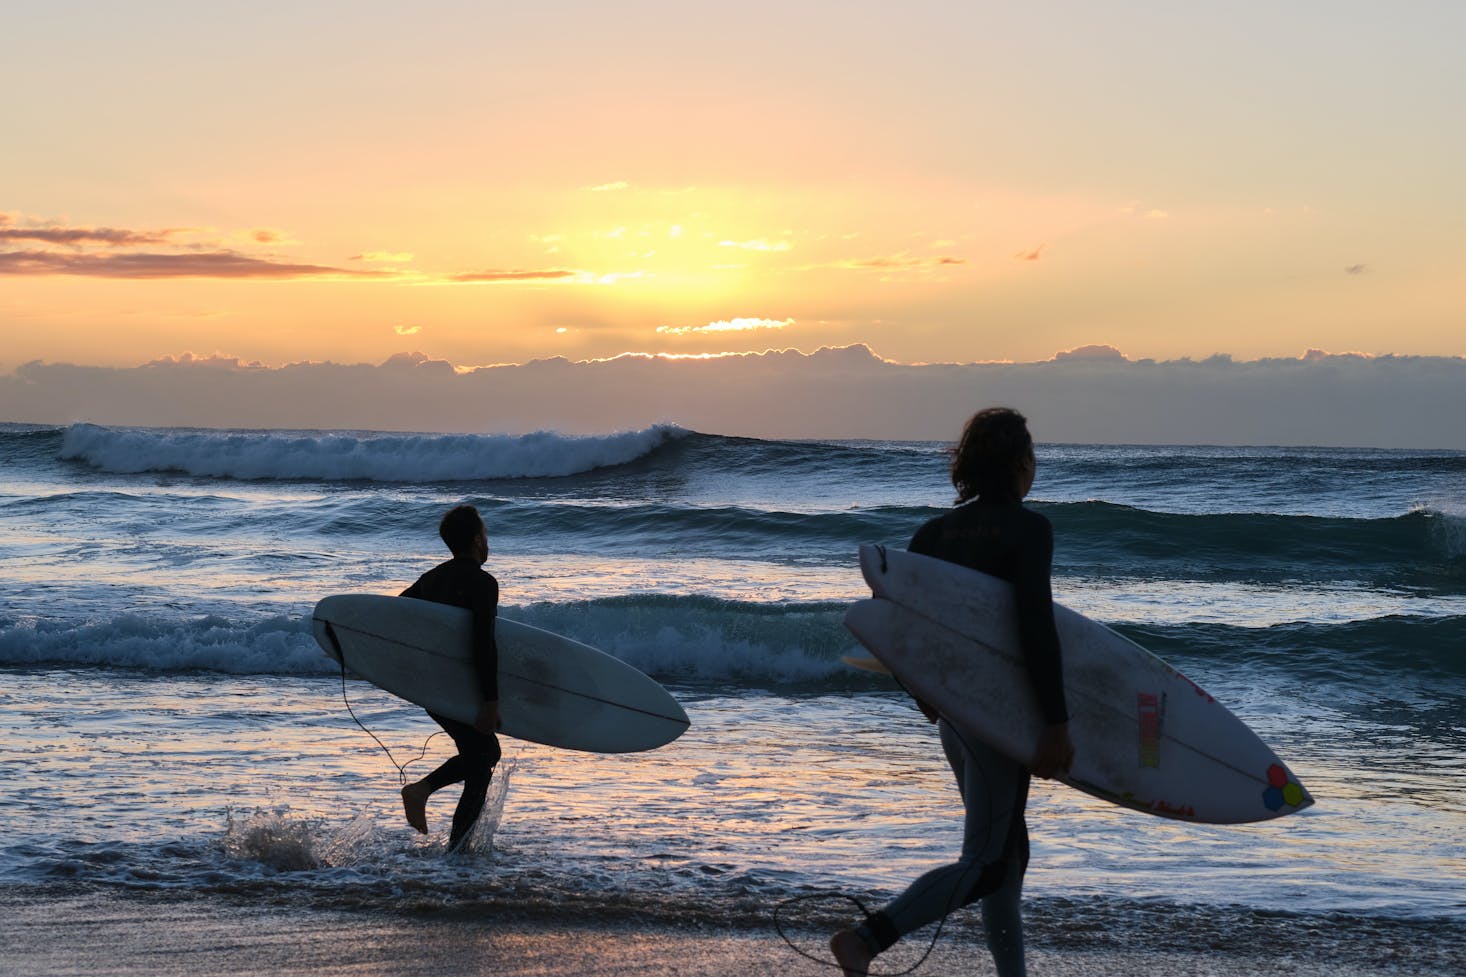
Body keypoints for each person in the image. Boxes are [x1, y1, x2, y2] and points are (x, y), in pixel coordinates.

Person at [831, 407, 1075, 977]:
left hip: (956, 719)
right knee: (988, 861)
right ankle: (867, 939)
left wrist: (920, 692)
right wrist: (1056, 722)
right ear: (1020, 463)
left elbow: (896, 631)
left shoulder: (935, 533)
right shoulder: (1029, 528)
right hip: (1003, 716)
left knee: (1006, 855)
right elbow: (1034, 626)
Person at [397, 503, 502, 852]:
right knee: (484, 753)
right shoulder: (484, 583)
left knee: (483, 757)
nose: (487, 543)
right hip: (457, 687)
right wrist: (490, 701)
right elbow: (482, 642)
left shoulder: (431, 579)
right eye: (485, 536)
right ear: (475, 541)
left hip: (429, 687)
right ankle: (422, 792)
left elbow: (394, 615)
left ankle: (459, 850)